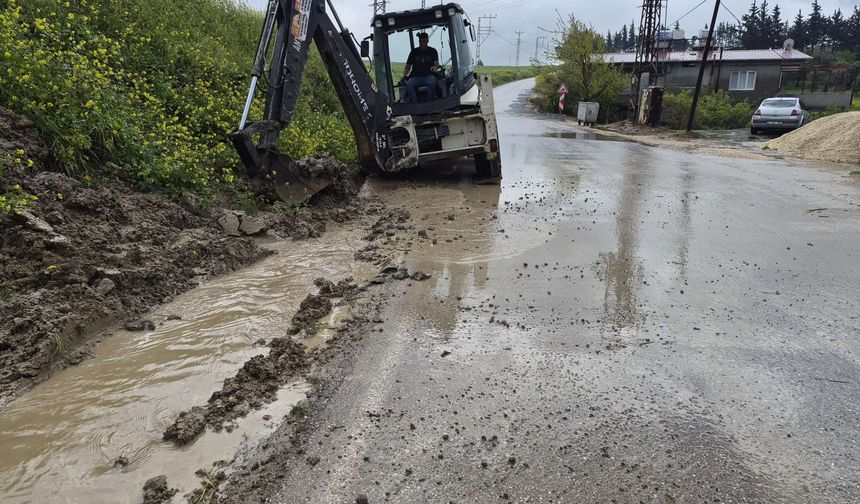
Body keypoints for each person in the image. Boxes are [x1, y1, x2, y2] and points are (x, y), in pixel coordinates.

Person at [404, 32, 440, 103]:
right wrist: (404, 76)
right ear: (419, 41)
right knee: (409, 84)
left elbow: (436, 63)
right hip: (416, 77)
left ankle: (429, 101)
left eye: (424, 41)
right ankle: (415, 103)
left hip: (429, 76)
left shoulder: (433, 51)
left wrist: (435, 68)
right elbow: (408, 66)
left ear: (427, 41)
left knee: (433, 82)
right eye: (421, 41)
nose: (422, 43)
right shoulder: (414, 52)